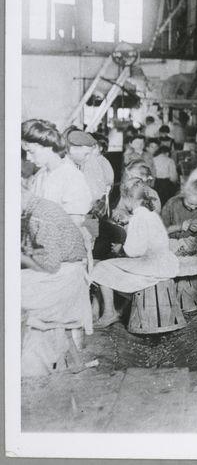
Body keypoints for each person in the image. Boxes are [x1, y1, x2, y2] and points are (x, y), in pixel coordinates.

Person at [91, 180, 179, 328]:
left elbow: (134, 251)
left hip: (151, 265)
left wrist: (122, 248)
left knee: (101, 267)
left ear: (129, 199)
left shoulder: (138, 218)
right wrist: (129, 222)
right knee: (112, 266)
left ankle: (109, 313)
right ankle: (119, 309)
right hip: (164, 262)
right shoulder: (149, 214)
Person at [21, 185, 92, 342]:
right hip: (66, 269)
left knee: (11, 291)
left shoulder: (40, 215)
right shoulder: (38, 207)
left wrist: (21, 257)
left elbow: (51, 263)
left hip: (65, 276)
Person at [22, 119, 92, 227]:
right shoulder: (41, 175)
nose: (28, 158)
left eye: (31, 151)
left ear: (48, 146)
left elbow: (73, 226)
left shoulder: (72, 177)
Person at [65, 129, 109, 208]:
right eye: (86, 154)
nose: (88, 158)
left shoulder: (82, 162)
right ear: (73, 150)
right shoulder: (66, 168)